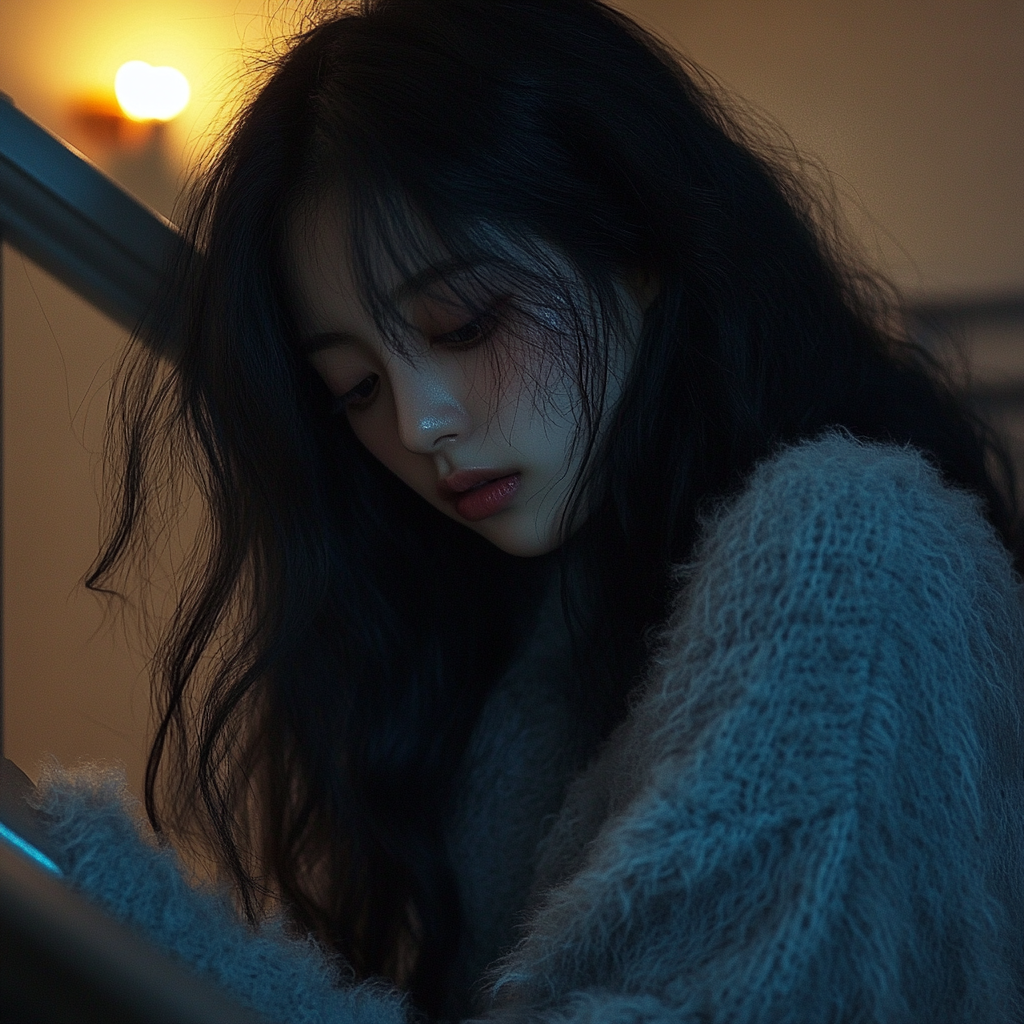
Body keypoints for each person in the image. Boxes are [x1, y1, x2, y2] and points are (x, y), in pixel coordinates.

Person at [2, 0, 1023, 1020]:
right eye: (354, 387)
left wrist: (80, 878)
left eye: (465, 321)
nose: (418, 422)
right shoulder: (546, 634)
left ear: (640, 243)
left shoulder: (847, 545)